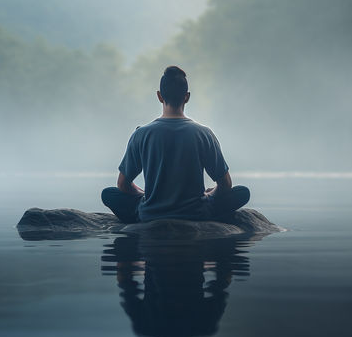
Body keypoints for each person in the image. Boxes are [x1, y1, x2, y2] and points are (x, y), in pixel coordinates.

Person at [101, 66, 250, 223]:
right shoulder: (204, 134)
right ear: (187, 97)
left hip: (151, 213)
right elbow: (225, 185)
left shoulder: (141, 134)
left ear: (159, 96)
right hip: (197, 212)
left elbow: (123, 185)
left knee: (109, 194)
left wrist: (146, 196)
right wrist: (209, 194)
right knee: (242, 192)